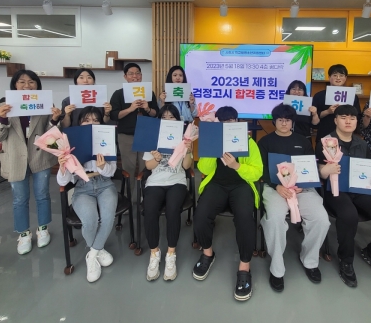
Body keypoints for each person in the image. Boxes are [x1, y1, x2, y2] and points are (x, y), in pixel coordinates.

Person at [317, 104, 371, 288]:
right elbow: (318, 169)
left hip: (360, 189)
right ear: (335, 120)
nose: (348, 121)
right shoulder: (326, 142)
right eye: (343, 117)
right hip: (335, 190)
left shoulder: (362, 144)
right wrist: (324, 171)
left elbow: (369, 170)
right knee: (348, 214)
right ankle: (346, 259)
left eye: (352, 118)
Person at [192, 106, 263, 302]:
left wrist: (237, 166)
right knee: (201, 215)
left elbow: (257, 172)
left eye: (231, 121)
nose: (228, 124)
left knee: (245, 219)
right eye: (223, 122)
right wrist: (213, 148)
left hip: (241, 186)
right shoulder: (213, 140)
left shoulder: (248, 141)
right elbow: (203, 169)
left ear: (237, 122)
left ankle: (244, 266)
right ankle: (208, 253)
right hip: (217, 184)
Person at [258, 104, 329, 292]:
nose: (284, 123)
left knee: (321, 219)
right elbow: (261, 169)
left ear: (293, 122)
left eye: (287, 120)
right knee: (274, 219)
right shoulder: (265, 142)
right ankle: (277, 268)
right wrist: (277, 186)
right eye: (280, 120)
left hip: (301, 189)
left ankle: (310, 261)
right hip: (275, 188)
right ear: (274, 121)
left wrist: (302, 184)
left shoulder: (303, 142)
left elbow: (309, 167)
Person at [0, 69, 61, 255]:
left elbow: (50, 135)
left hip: (40, 157)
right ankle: (24, 233)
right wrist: (2, 118)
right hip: (15, 158)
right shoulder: (2, 107)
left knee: (42, 194)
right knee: (19, 198)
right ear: (15, 85)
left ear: (37, 85)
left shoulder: (44, 104)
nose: (27, 85)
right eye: (22, 82)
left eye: (31, 82)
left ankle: (43, 228)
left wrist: (55, 120)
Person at [56, 107, 117, 283]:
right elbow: (62, 181)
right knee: (90, 220)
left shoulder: (106, 138)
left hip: (105, 184)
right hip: (82, 187)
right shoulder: (69, 144)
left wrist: (103, 166)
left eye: (96, 120)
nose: (91, 124)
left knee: (107, 218)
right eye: (87, 120)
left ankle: (92, 255)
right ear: (79, 123)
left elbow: (112, 172)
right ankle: (99, 249)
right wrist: (62, 167)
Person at [143, 105, 193, 282]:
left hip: (176, 182)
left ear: (178, 120)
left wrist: (188, 149)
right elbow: (148, 166)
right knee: (149, 210)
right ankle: (154, 253)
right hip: (155, 182)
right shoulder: (152, 137)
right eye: (164, 117)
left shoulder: (184, 139)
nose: (167, 120)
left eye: (171, 117)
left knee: (173, 210)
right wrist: (156, 159)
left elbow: (186, 166)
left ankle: (171, 253)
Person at [110, 63, 159, 198]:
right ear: (125, 77)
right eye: (131, 74)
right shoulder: (118, 94)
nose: (135, 76)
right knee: (129, 168)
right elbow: (114, 115)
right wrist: (130, 109)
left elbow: (156, 114)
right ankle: (129, 199)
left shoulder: (149, 93)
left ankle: (146, 198)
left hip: (146, 135)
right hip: (126, 136)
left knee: (146, 167)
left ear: (141, 76)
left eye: (137, 73)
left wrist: (147, 108)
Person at [312, 64, 361, 142]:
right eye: (335, 75)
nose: (338, 78)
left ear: (345, 78)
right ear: (329, 77)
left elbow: (357, 115)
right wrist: (327, 111)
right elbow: (313, 117)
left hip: (346, 135)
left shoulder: (352, 96)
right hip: (325, 133)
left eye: (341, 75)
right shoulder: (319, 95)